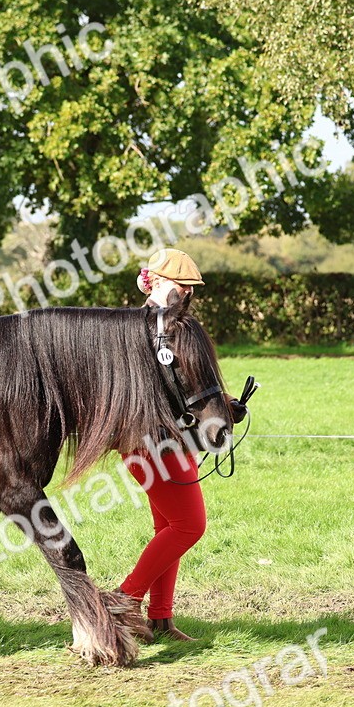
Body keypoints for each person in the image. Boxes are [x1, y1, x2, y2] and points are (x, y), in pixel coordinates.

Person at [119, 249, 246, 642]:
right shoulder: (149, 329)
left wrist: (221, 406)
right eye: (183, 286)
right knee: (190, 526)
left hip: (164, 441)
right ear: (155, 281)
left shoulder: (157, 327)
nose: (188, 294)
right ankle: (121, 602)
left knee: (167, 528)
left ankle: (159, 619)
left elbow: (182, 386)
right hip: (153, 444)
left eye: (190, 289)